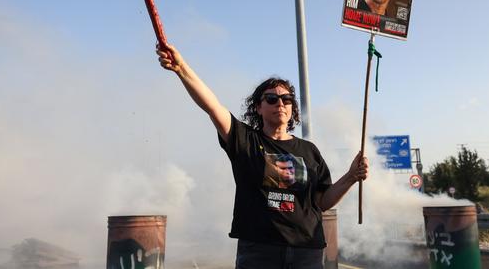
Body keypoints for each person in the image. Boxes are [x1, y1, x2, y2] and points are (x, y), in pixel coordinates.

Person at [156, 43, 369, 269]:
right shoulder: (245, 140)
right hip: (260, 252)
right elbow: (212, 107)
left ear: (292, 109)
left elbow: (321, 201)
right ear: (258, 107)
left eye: (286, 99)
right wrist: (181, 68)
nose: (280, 103)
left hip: (307, 251)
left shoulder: (309, 150)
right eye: (271, 99)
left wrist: (351, 176)